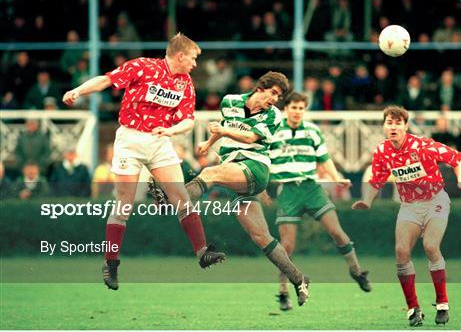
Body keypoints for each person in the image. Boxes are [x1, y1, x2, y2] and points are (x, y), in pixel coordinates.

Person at [62, 32, 225, 291]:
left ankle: (202, 252)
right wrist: (78, 90)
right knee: (124, 205)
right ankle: (111, 263)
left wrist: (171, 131)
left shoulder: (186, 82)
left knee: (181, 197)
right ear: (180, 55)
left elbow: (188, 119)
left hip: (160, 141)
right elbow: (107, 80)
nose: (195, 64)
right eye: (193, 58)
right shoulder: (142, 66)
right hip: (130, 139)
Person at [151, 72, 311, 306]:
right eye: (273, 93)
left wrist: (224, 132)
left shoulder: (273, 115)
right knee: (261, 237)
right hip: (235, 173)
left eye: (279, 96)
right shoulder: (230, 101)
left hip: (255, 169)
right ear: (261, 88)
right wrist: (209, 142)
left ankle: (168, 199)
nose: (275, 99)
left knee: (210, 173)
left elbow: (250, 138)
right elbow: (225, 126)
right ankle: (300, 279)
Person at [351, 105, 461, 327]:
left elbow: (455, 158)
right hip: (409, 206)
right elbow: (377, 180)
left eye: (398, 123)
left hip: (435, 201)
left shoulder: (421, 145)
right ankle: (413, 308)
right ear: (384, 126)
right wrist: (367, 201)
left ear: (405, 126)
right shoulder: (382, 151)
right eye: (389, 123)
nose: (393, 127)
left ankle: (442, 303)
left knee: (430, 246)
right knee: (401, 252)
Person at [265, 92, 371, 311]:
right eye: (293, 107)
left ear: (305, 110)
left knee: (337, 232)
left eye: (301, 108)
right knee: (287, 246)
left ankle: (357, 271)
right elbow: (264, 160)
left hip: (312, 188)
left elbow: (324, 159)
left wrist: (336, 179)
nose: (297, 111)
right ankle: (283, 292)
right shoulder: (274, 130)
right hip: (288, 190)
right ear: (287, 109)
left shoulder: (312, 130)